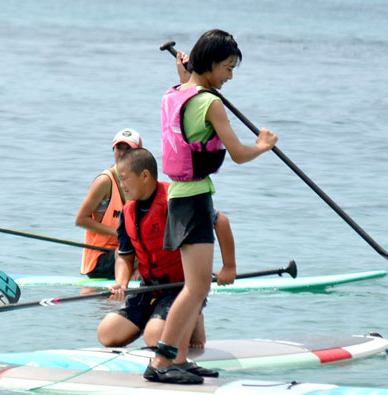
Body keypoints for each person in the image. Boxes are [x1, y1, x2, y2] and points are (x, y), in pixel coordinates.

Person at [144, 29, 278, 384]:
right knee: (197, 288)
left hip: (179, 195)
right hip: (194, 200)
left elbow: (188, 91)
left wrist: (186, 73)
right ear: (212, 63)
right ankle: (161, 362)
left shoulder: (178, 92)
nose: (230, 76)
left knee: (195, 285)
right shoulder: (211, 102)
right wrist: (262, 145)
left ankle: (181, 358)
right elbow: (238, 154)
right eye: (228, 68)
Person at [96, 148, 236, 377]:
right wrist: (121, 283)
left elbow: (220, 221)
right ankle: (158, 318)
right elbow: (125, 254)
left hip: (180, 289)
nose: (122, 185)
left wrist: (229, 266)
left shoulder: (175, 200)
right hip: (149, 287)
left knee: (156, 338)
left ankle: (193, 317)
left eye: (125, 179)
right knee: (107, 334)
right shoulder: (128, 211)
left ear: (145, 176)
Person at [75, 128, 142, 279]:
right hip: (99, 259)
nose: (123, 153)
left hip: (127, 252)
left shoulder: (141, 183)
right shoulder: (105, 181)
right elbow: (80, 219)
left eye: (128, 149)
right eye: (119, 148)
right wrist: (118, 233)